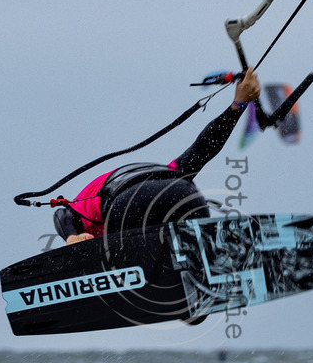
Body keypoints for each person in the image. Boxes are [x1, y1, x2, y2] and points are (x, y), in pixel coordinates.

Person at [55, 68, 262, 243]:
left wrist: (71, 236)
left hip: (128, 204)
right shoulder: (165, 175)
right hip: (184, 196)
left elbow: (61, 213)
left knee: (124, 257)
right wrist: (238, 106)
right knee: (177, 254)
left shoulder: (82, 214)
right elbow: (202, 149)